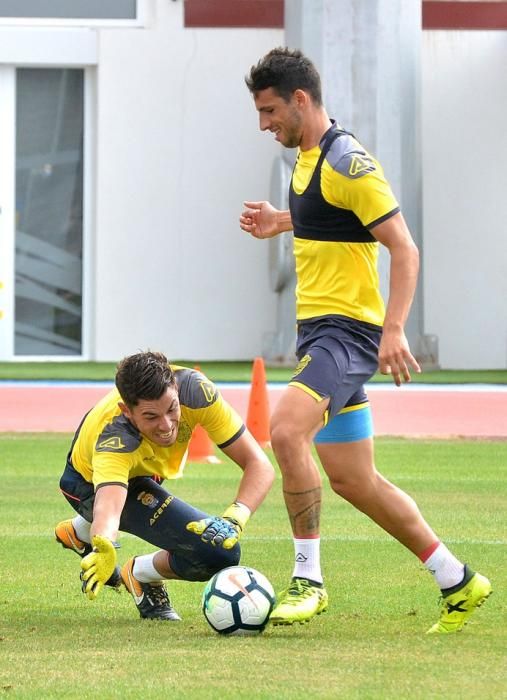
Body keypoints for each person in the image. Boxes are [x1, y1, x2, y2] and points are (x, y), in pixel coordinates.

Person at [239, 47, 491, 634]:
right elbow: (331, 217)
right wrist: (283, 220)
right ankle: (458, 579)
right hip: (319, 337)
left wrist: (394, 329)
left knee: (283, 429)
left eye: (270, 109)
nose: (264, 123)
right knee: (355, 480)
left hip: (346, 334)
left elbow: (404, 247)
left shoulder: (348, 160)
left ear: (301, 100)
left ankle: (309, 579)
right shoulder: (305, 161)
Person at [55, 350, 274, 621]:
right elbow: (108, 507)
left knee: (220, 537)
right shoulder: (115, 438)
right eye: (151, 417)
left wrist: (235, 519)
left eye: (172, 409)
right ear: (127, 411)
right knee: (218, 554)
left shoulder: (196, 391)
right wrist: (104, 546)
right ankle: (140, 574)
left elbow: (260, 466)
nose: (167, 425)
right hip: (86, 485)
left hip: (147, 469)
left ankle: (78, 532)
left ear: (176, 390)